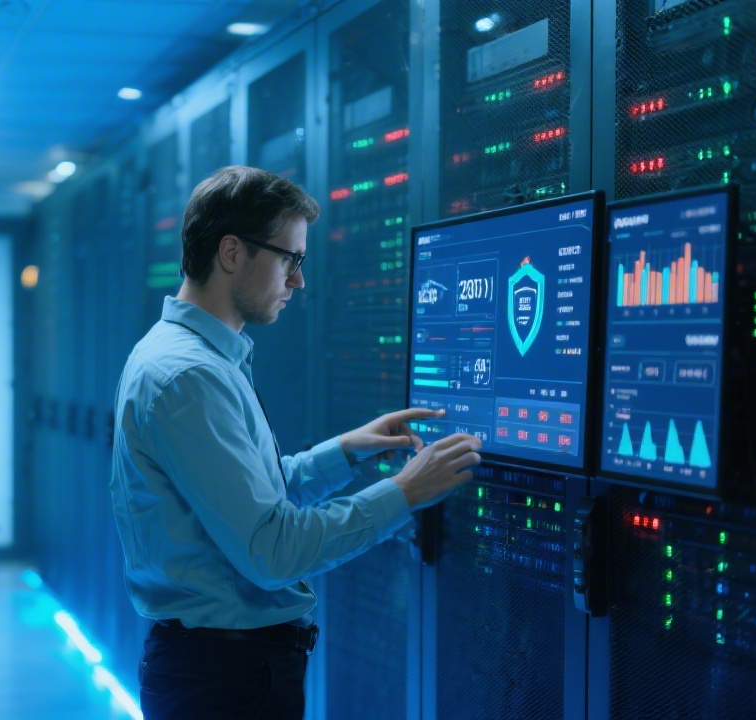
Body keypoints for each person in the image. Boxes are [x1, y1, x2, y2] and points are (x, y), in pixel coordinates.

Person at [110, 165, 482, 719]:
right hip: (226, 683)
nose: (299, 281)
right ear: (231, 252)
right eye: (290, 259)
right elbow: (272, 549)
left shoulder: (190, 357)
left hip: (220, 670)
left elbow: (248, 498)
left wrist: (346, 451)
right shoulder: (191, 376)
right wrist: (404, 492)